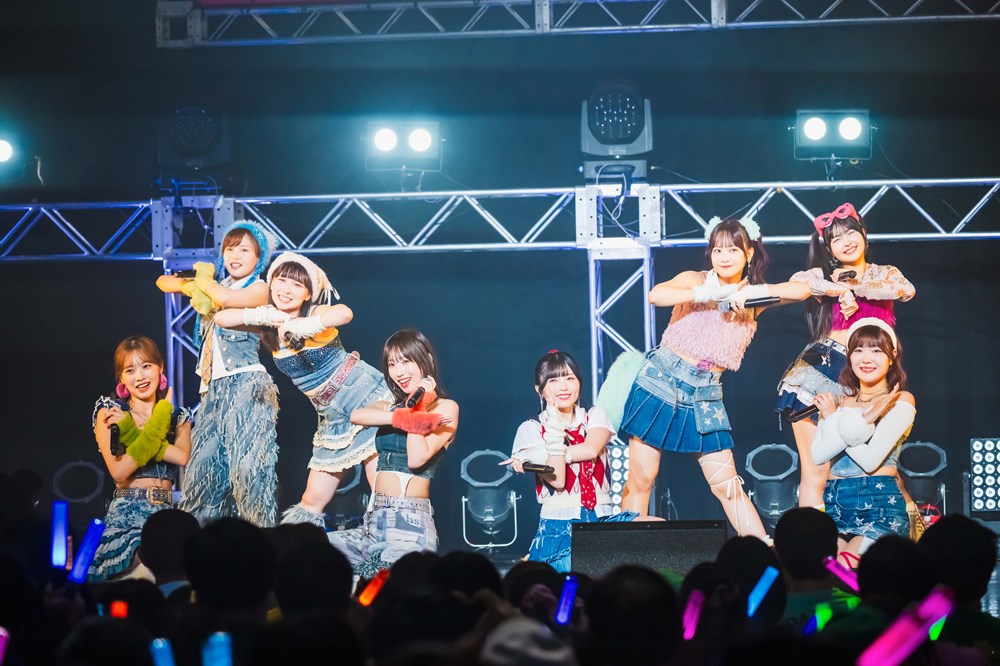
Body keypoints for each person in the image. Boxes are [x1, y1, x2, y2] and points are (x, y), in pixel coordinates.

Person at [617, 216, 810, 537]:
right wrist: (704, 294)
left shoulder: (752, 299)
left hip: (705, 395)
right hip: (660, 381)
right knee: (642, 478)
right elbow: (656, 295)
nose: (724, 257)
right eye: (718, 250)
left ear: (749, 253)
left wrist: (750, 294)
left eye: (733, 249)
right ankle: (625, 552)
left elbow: (801, 290)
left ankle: (762, 550)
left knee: (727, 485)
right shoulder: (696, 279)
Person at [213, 252, 392, 527]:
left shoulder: (314, 312)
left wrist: (307, 325)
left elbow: (344, 313)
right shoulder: (268, 324)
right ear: (271, 284)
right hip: (332, 414)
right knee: (310, 502)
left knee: (382, 492)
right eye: (281, 281)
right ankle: (300, 550)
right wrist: (265, 314)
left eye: (297, 284)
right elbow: (222, 318)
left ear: (308, 293)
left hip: (363, 396)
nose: (286, 289)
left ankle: (390, 549)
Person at [776, 202, 915, 509]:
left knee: (872, 467)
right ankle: (812, 540)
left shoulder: (885, 273)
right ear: (828, 248)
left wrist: (856, 285)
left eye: (851, 233)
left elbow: (905, 290)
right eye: (836, 239)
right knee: (817, 472)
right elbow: (797, 282)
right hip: (821, 373)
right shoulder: (824, 275)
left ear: (863, 234)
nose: (846, 242)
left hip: (867, 379)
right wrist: (837, 289)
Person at [156, 220, 280, 527]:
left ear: (259, 258)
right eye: (229, 249)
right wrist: (194, 283)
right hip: (212, 391)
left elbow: (225, 301)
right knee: (202, 473)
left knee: (249, 472)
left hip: (246, 383)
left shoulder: (259, 287)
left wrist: (203, 280)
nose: (235, 255)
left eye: (244, 250)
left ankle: (260, 541)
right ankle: (201, 545)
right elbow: (163, 281)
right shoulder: (216, 285)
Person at [327, 329, 459, 578]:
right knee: (314, 551)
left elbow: (416, 458)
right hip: (373, 520)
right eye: (392, 364)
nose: (398, 372)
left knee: (385, 593)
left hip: (408, 522)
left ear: (427, 359)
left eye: (406, 361)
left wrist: (419, 409)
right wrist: (405, 416)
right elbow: (357, 416)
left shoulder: (446, 407)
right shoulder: (388, 404)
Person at [503, 350, 650, 572]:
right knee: (575, 577)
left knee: (657, 531)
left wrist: (546, 455)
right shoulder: (531, 429)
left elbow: (591, 449)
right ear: (539, 390)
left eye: (569, 378)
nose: (563, 387)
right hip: (559, 528)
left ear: (579, 382)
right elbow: (558, 480)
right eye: (553, 381)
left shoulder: (594, 415)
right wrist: (553, 428)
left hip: (603, 521)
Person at [810, 319, 915, 563]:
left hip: (877, 502)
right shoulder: (838, 402)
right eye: (858, 350)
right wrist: (843, 418)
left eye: (876, 351)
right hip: (835, 503)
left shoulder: (899, 400)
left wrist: (833, 419)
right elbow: (818, 455)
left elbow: (870, 460)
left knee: (846, 570)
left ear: (892, 357)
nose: (866, 359)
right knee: (828, 573)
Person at [90, 336, 191, 581]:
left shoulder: (178, 417)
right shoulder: (111, 412)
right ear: (121, 378)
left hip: (166, 519)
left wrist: (136, 430)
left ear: (160, 367)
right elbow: (119, 472)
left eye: (146, 366)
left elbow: (182, 457)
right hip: (127, 517)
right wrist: (155, 424)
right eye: (130, 370)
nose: (140, 377)